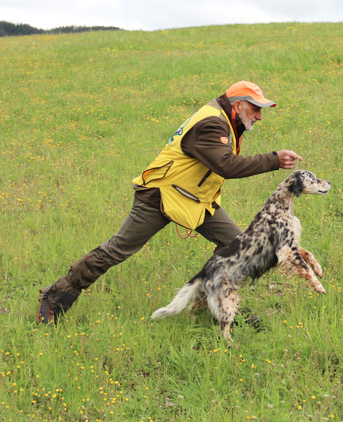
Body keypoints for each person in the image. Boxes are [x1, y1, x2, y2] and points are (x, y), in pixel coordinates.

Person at [37, 81, 302, 324]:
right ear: (237, 105)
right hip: (160, 196)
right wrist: (273, 159)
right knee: (116, 250)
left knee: (236, 246)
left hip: (193, 200)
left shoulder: (224, 121)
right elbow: (226, 166)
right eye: (256, 109)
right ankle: (55, 295)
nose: (259, 116)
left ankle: (220, 307)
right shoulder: (212, 123)